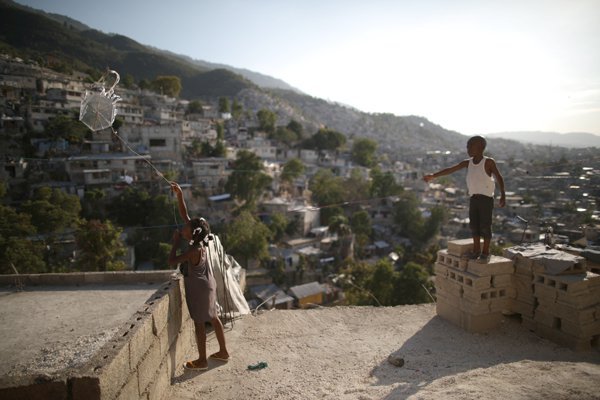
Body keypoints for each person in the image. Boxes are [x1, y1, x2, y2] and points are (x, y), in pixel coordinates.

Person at [169, 182, 229, 370]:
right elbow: (184, 214)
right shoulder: (200, 242)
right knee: (214, 317)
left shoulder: (193, 250)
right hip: (208, 284)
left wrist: (175, 242)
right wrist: (179, 195)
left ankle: (202, 360)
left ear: (191, 233)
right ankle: (223, 351)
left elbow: (172, 261)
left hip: (199, 290)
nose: (183, 227)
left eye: (185, 228)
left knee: (199, 323)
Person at [423, 135, 505, 263]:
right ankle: (476, 250)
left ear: (479, 147)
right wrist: (433, 176)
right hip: (474, 198)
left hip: (486, 199)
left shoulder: (488, 162)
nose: (467, 149)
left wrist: (503, 195)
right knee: (474, 226)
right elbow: (451, 170)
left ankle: (485, 252)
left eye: (470, 146)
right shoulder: (468, 163)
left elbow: (499, 177)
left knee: (485, 226)